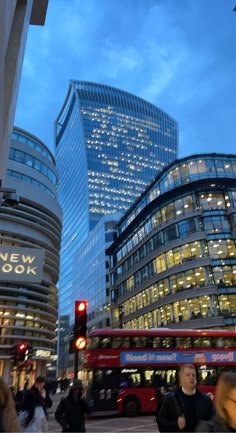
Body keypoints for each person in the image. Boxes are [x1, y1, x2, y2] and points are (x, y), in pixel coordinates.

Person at [156, 363, 214, 432]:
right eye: (188, 375)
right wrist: (176, 425)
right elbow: (161, 423)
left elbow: (213, 420)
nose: (191, 377)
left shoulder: (205, 399)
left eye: (193, 375)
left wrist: (206, 426)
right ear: (182, 378)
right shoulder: (170, 399)